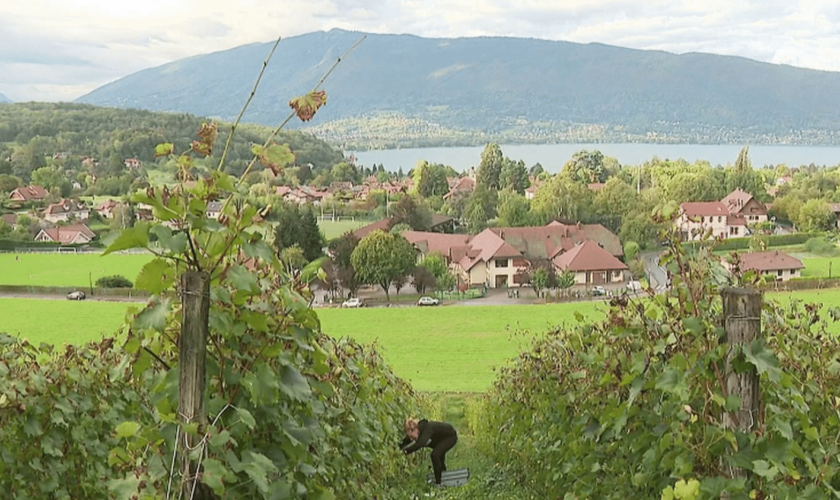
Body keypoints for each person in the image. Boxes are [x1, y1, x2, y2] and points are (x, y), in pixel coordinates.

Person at [400, 417, 458, 485]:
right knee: (438, 456)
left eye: (411, 436)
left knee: (435, 455)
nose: (411, 439)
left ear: (414, 429)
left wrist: (405, 451)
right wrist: (399, 448)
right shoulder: (418, 431)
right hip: (441, 440)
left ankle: (438, 483)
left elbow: (420, 444)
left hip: (450, 437)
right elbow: (406, 442)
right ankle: (443, 477)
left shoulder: (427, 428)